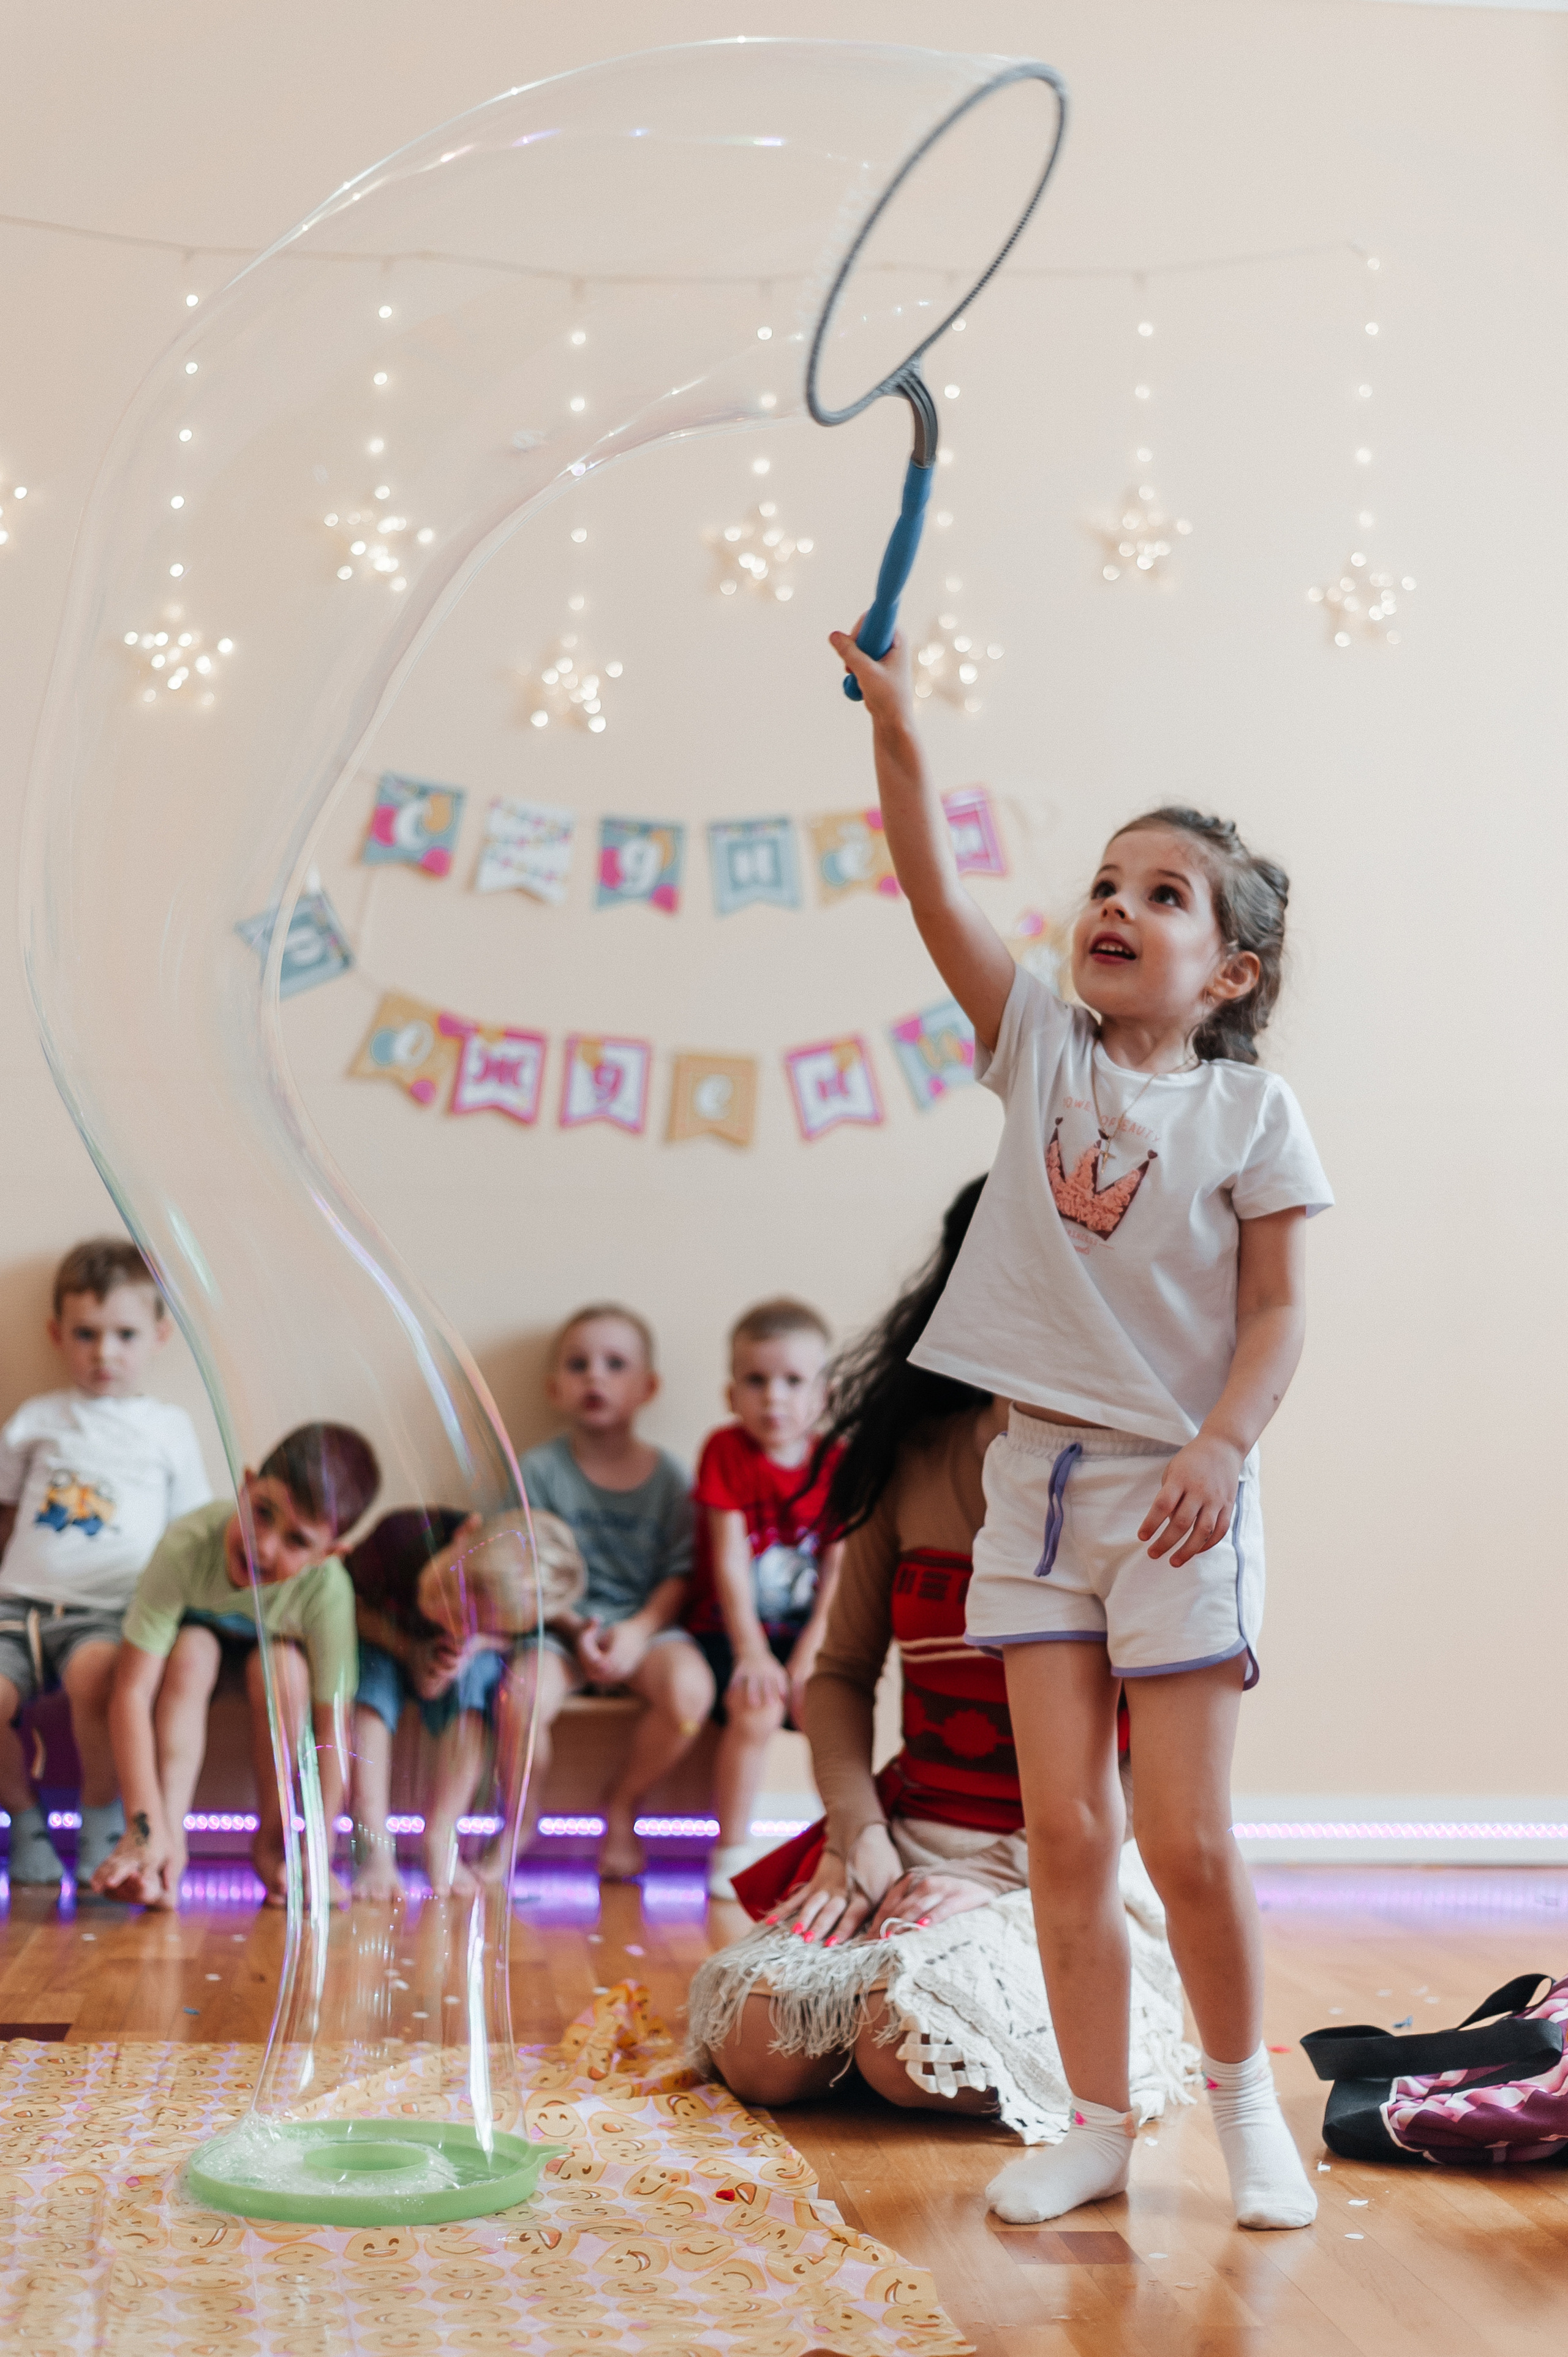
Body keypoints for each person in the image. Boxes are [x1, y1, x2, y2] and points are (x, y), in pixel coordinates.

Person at [830, 618, 1332, 2232]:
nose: (1116, 905)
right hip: (1035, 1485)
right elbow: (926, 883)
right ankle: (1096, 2116)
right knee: (1065, 1827)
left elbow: (1277, 1314)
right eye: (1107, 881)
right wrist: (899, 728)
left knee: (1183, 1833)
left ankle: (1253, 2115)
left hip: (1182, 1493)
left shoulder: (1252, 1109)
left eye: (1163, 893)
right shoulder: (1038, 1043)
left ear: (1230, 969)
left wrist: (1222, 1446)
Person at [689, 1186, 1190, 2139]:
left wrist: (1008, 1870)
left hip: (1065, 1861)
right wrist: (859, 1832)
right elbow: (838, 1673)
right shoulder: (904, 1457)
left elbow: (1159, 1751)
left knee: (897, 2041)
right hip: (907, 1836)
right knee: (759, 2045)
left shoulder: (1148, 1467)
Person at [92, 1422, 379, 1910]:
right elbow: (132, 1693)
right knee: (190, 1653)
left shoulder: (327, 1590)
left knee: (284, 1670)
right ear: (245, 1486)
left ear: (327, 1554)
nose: (263, 1545)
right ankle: (164, 1849)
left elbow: (334, 1728)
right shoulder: (188, 1544)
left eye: (296, 1540)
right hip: (195, 1653)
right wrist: (143, 1824)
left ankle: (276, 1842)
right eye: (261, 1512)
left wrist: (320, 1847)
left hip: (269, 1661)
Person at [0, 1238, 211, 1890]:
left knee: (99, 1685)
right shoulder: (38, 1417)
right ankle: (25, 1820)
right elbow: (7, 1512)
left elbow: (189, 1531)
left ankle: (100, 1818)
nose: (104, 1353)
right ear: (56, 1333)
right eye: (86, 1334)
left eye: (124, 1334)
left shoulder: (168, 1427)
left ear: (159, 1334)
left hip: (109, 1608)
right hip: (18, 1605)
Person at [516, 1305, 711, 1881]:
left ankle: (623, 1803)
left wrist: (636, 1631)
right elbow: (522, 1570)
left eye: (615, 1364)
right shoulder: (539, 1471)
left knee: (690, 1694)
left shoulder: (672, 1479)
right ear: (555, 1388)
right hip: (559, 1625)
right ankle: (522, 1812)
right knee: (519, 1697)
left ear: (647, 1387)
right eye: (579, 1365)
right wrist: (579, 1628)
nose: (595, 1377)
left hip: (641, 1626)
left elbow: (681, 1572)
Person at [684, 1300, 845, 1901]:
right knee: (754, 1704)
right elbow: (728, 1559)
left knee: (822, 1705)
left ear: (822, 1394)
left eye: (792, 1381)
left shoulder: (837, 1463)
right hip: (731, 1629)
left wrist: (809, 1653)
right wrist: (751, 1653)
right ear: (731, 1393)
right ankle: (732, 1849)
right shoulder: (725, 1450)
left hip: (804, 1630)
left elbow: (838, 1569)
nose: (773, 1396)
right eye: (756, 1380)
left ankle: (846, 1842)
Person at [345, 1504, 576, 1901]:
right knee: (371, 1691)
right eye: (453, 1590)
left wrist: (475, 1644)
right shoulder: (399, 1536)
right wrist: (408, 1650)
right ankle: (374, 1846)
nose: (450, 1618)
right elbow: (347, 1605)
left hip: (450, 1662)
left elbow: (513, 1637)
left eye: (475, 1619)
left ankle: (441, 1833)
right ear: (466, 1532)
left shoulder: (508, 1611)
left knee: (478, 1682)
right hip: (383, 1641)